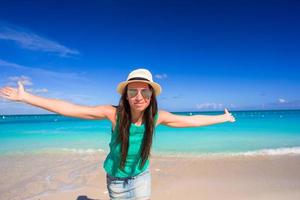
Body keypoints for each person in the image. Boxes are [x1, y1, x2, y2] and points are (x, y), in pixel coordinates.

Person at [0, 68, 235, 200]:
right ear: (126, 94)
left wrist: (223, 118)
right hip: (116, 181)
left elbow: (192, 120)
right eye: (133, 91)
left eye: (145, 92)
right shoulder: (113, 114)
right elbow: (69, 108)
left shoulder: (158, 117)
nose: (139, 97)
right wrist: (26, 97)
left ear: (152, 96)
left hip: (141, 178)